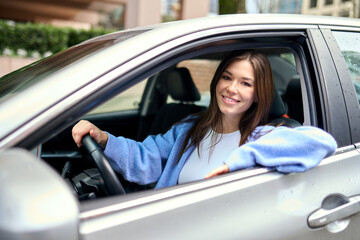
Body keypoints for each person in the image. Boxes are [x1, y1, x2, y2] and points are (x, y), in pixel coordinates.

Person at [72, 50, 337, 189]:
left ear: (258, 95)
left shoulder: (263, 137)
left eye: (245, 83)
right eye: (227, 77)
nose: (232, 88)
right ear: (216, 81)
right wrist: (104, 139)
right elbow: (144, 158)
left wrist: (239, 160)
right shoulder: (188, 130)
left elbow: (321, 142)